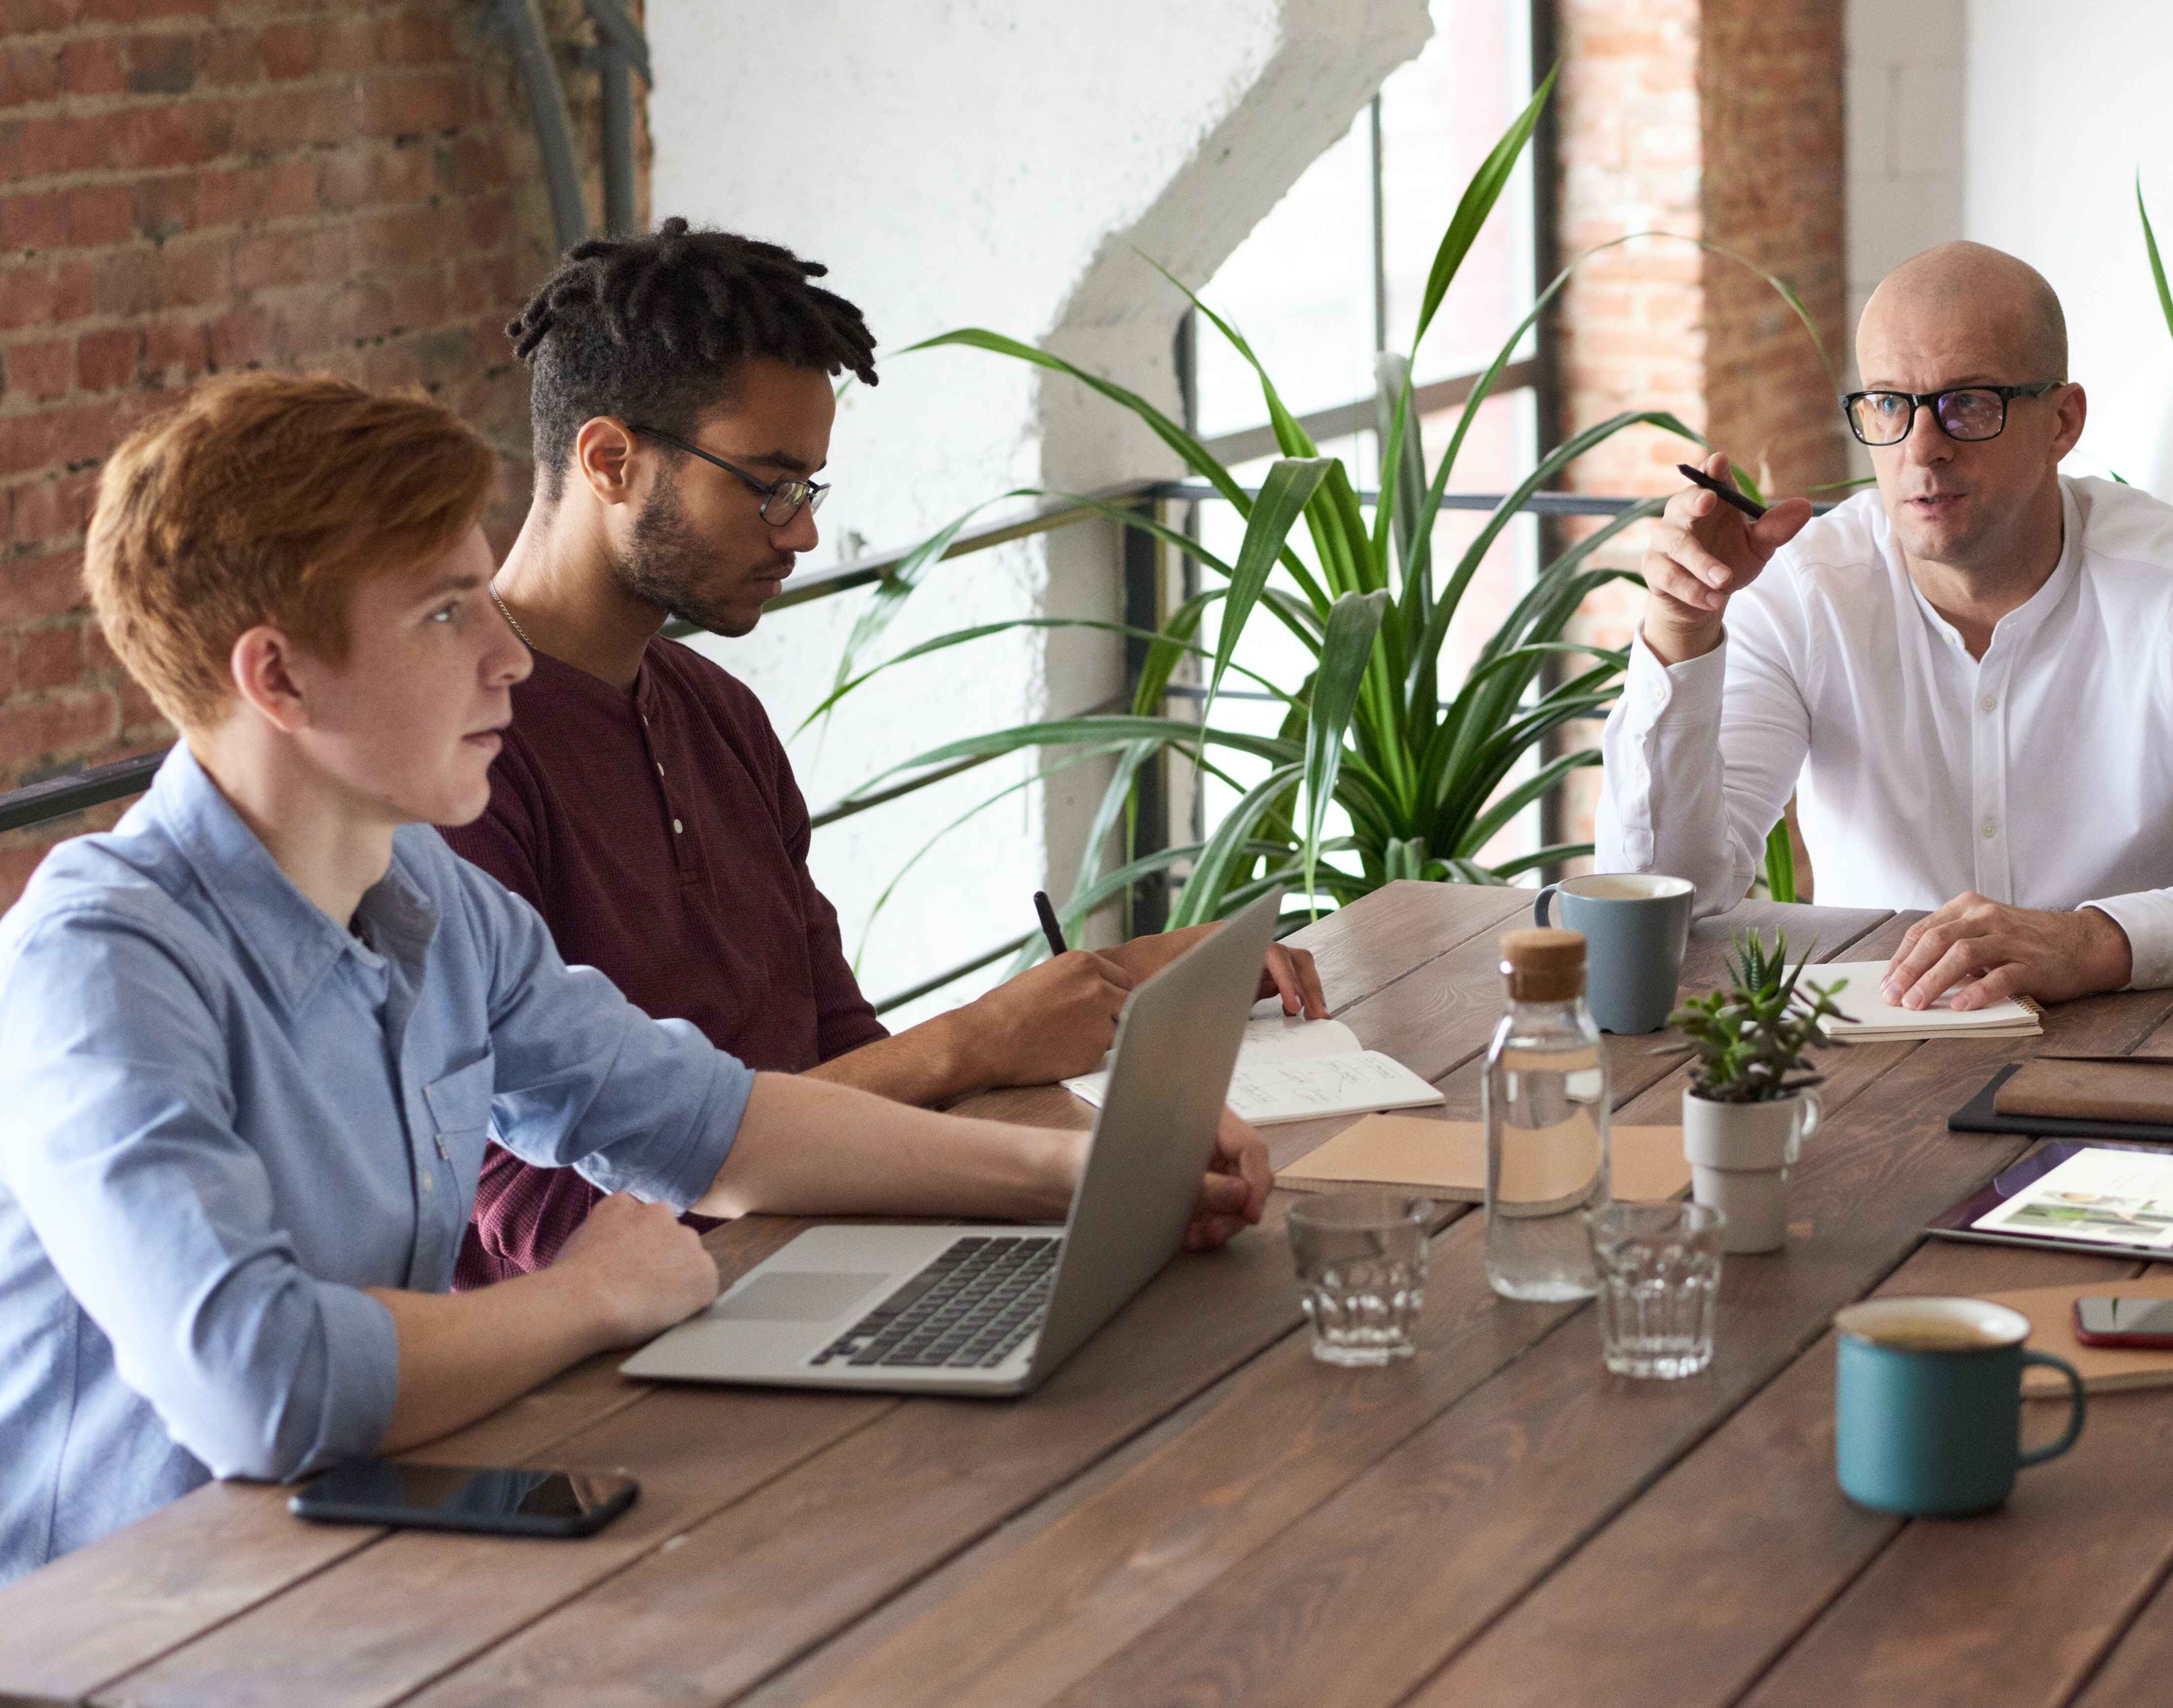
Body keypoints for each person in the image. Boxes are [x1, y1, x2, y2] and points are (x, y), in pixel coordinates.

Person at [0, 373, 1272, 1578]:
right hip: (127, 1631)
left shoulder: (431, 902)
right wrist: (594, 1296)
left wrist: (1097, 1175)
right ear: (275, 675)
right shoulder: (100, 963)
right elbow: (259, 1385)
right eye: (446, 611)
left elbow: (713, 1120)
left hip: (360, 1561)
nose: (506, 657)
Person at [450, 220, 1320, 1285]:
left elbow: (838, 1052)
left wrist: (1108, 1041)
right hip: (619, 1375)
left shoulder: (719, 714)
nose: (799, 533)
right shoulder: (458, 762)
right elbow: (545, 1227)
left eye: (808, 490)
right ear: (610, 460)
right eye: (769, 486)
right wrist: (974, 1045)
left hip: (827, 1267)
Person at [1598, 240, 2173, 1008]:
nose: (1923, 449)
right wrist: (1680, 628)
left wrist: (2092, 943)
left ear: (2062, 423)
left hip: (2147, 1048)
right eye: (1888, 404)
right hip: (1880, 1055)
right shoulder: (1805, 590)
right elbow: (1666, 898)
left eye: (1968, 404)